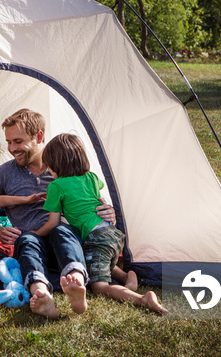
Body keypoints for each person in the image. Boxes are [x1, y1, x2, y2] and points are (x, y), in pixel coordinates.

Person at [0, 109, 116, 318]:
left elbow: (90, 199)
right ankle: (41, 294)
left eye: (18, 141)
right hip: (32, 242)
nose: (12, 148)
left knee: (62, 230)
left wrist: (108, 210)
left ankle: (76, 282)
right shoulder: (3, 174)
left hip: (68, 242)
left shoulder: (65, 167)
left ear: (39, 136)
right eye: (8, 142)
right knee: (28, 239)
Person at [35, 133, 165, 314]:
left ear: (56, 164)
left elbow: (53, 223)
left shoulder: (56, 186)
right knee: (100, 264)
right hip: (112, 232)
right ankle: (128, 276)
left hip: (96, 238)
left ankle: (143, 299)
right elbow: (96, 199)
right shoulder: (92, 178)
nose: (48, 171)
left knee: (100, 287)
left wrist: (34, 233)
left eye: (49, 166)